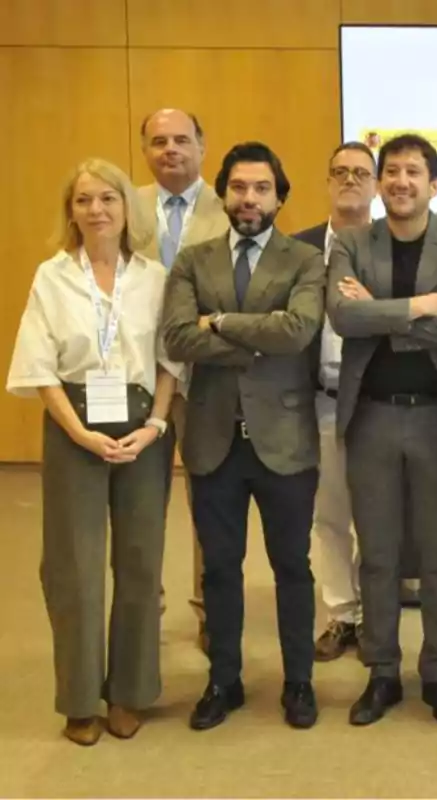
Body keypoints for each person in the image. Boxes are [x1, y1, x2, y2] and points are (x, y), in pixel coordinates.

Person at [8, 159, 179, 745]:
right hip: (73, 425)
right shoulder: (51, 276)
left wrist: (156, 423)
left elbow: (168, 360)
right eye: (84, 200)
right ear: (71, 211)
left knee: (139, 560)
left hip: (142, 427)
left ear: (126, 207)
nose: (97, 210)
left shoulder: (154, 277)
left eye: (108, 198)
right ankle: (80, 699)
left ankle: (128, 691)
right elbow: (38, 364)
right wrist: (78, 432)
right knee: (73, 565)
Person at [162, 142, 326, 731]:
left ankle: (299, 681)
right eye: (238, 187)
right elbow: (178, 338)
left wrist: (224, 323)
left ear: (280, 196)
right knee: (221, 570)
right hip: (212, 439)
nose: (249, 199)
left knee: (292, 566)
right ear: (223, 192)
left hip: (284, 440)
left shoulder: (306, 260)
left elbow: (300, 330)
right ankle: (223, 680)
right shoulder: (193, 260)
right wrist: (261, 335)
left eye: (261, 188)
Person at [327, 134, 437, 727]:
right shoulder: (351, 242)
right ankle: (383, 671)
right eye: (391, 171)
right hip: (371, 416)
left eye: (413, 172)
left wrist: (383, 313)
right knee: (380, 553)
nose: (400, 181)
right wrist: (422, 307)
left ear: (434, 185)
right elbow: (344, 317)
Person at [136, 108, 228, 637]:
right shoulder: (125, 204)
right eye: (158, 141)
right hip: (140, 381)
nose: (170, 149)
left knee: (208, 503)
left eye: (181, 140)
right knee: (142, 502)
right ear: (146, 150)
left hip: (204, 379)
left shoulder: (231, 203)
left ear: (201, 144)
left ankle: (209, 613)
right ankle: (145, 614)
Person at [293, 141, 377, 661]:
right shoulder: (299, 251)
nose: (350, 180)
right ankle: (342, 615)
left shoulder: (390, 245)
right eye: (340, 172)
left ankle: (377, 616)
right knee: (329, 516)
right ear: (326, 182)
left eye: (360, 173)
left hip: (377, 402)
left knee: (380, 516)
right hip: (321, 399)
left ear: (375, 185)